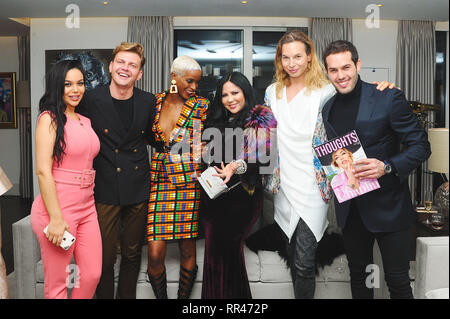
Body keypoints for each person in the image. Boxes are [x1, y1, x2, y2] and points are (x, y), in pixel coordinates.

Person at [264, 30, 394, 299]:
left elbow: (354, 90)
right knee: (293, 252)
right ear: (280, 60)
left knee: (304, 258)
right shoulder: (271, 92)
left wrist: (384, 89)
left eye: (298, 56)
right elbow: (262, 135)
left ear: (309, 57)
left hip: (314, 185)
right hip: (284, 183)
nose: (292, 63)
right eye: (286, 57)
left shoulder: (325, 90)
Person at [322, 40, 431, 299]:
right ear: (326, 72)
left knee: (398, 282)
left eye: (346, 67)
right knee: (359, 280)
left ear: (358, 65)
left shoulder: (387, 96)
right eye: (333, 70)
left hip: (389, 206)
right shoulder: (328, 108)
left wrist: (387, 166)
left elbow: (421, 146)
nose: (341, 75)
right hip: (351, 210)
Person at [78, 42, 157, 299]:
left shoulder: (148, 101)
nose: (126, 68)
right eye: (121, 62)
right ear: (111, 66)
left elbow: (156, 139)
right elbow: (77, 133)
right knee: (105, 254)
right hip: (105, 185)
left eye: (133, 65)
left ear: (139, 73)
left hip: (137, 184)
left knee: (133, 253)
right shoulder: (91, 98)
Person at [201, 72, 276, 299]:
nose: (230, 99)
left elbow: (265, 159)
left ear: (245, 92)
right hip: (213, 198)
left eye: (235, 93)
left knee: (229, 252)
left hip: (242, 198)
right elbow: (207, 157)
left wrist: (237, 166)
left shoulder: (261, 116)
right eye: (224, 94)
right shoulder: (216, 119)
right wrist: (202, 152)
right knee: (213, 256)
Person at [30, 59, 102, 299]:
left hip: (87, 206)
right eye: (68, 84)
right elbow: (42, 171)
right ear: (57, 87)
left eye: (80, 83)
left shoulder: (85, 121)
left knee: (92, 274)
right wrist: (57, 218)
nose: (75, 90)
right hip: (58, 208)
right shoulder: (49, 119)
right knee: (58, 283)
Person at [146, 55, 209, 299]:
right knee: (154, 253)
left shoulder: (201, 105)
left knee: (186, 247)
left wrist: (206, 147)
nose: (194, 88)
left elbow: (212, 135)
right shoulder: (155, 102)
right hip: (160, 179)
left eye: (197, 83)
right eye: (190, 81)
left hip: (188, 180)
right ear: (174, 77)